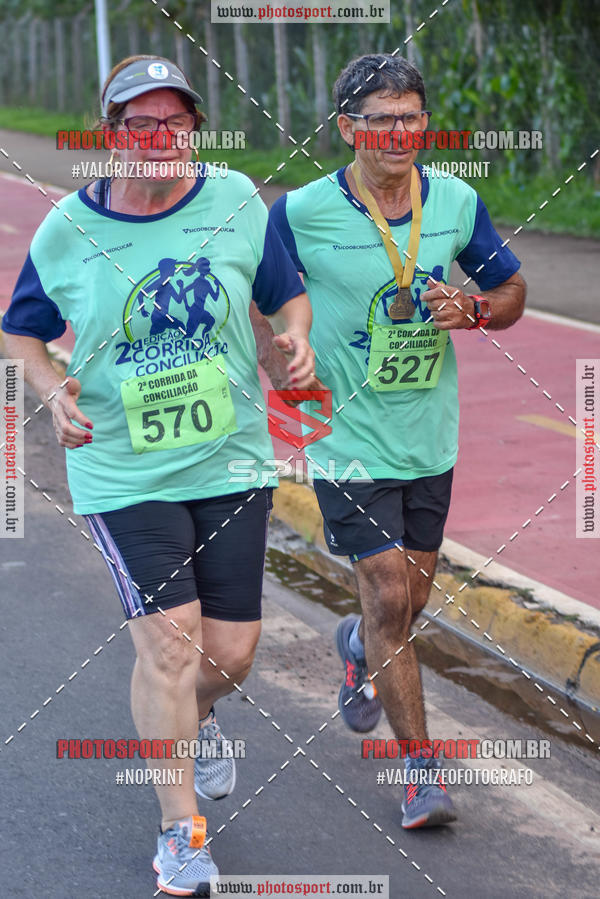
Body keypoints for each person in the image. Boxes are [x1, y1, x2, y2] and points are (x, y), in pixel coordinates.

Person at [2, 55, 316, 895]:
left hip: (229, 459)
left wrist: (295, 337)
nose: (162, 140)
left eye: (177, 123)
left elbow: (287, 293)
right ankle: (181, 832)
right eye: (142, 124)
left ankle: (198, 716)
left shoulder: (236, 200)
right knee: (170, 647)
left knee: (232, 652)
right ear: (111, 137)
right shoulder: (70, 226)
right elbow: (21, 331)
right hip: (122, 467)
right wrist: (49, 390)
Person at [268, 53, 526, 828]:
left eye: (410, 116)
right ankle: (421, 773)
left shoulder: (454, 200)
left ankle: (355, 642)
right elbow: (259, 293)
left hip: (427, 438)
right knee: (387, 587)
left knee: (405, 601)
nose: (398, 133)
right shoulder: (300, 212)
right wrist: (281, 364)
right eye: (379, 118)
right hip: (345, 434)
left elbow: (512, 290)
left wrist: (475, 310)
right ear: (346, 127)